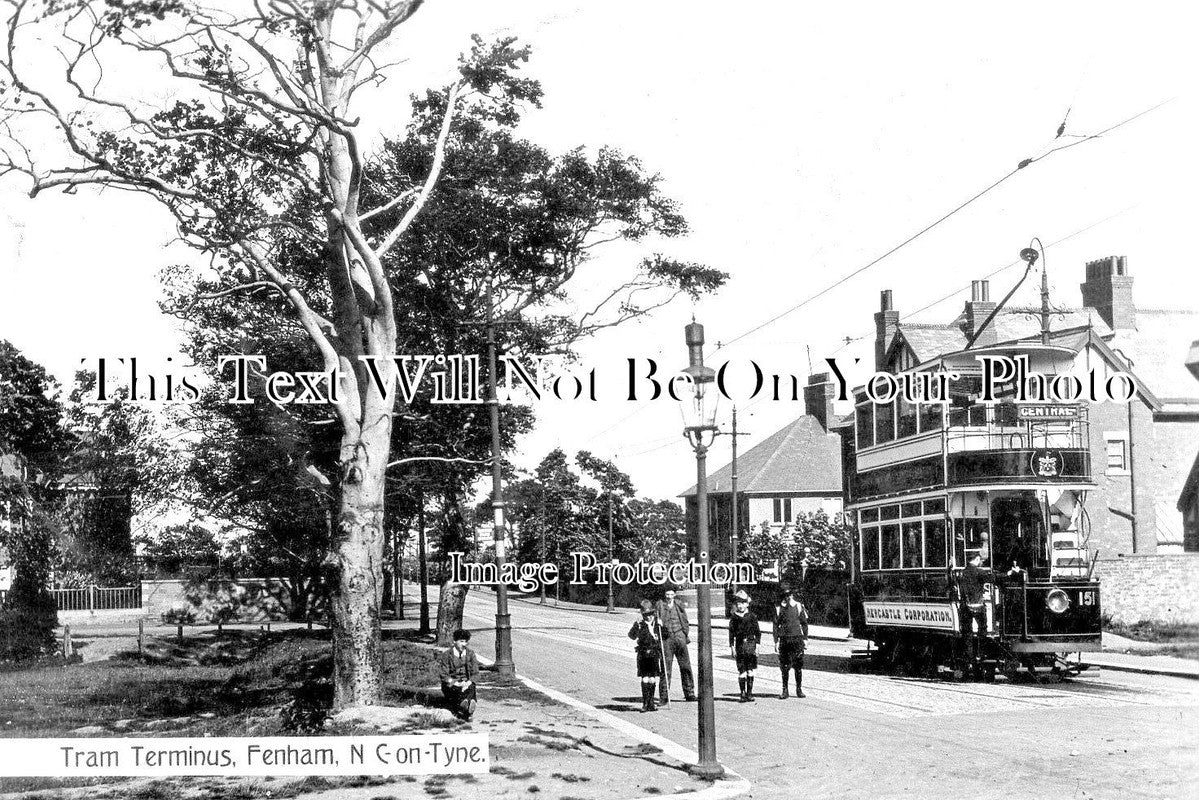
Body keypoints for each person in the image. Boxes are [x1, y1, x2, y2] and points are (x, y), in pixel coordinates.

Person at [655, 588, 696, 703]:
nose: (669, 596)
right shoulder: (660, 606)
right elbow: (655, 621)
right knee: (666, 668)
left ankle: (689, 693)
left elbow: (685, 620)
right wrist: (658, 623)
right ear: (664, 594)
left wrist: (684, 633)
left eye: (671, 594)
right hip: (667, 639)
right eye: (667, 594)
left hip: (680, 637)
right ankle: (664, 696)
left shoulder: (679, 605)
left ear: (674, 595)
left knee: (685, 666)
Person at [628, 600, 664, 713]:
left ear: (653, 613)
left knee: (652, 679)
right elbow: (631, 636)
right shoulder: (640, 624)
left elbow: (665, 636)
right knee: (645, 678)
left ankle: (651, 703)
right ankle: (645, 703)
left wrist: (662, 627)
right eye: (646, 615)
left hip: (654, 654)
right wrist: (636, 626)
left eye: (650, 614)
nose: (648, 617)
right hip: (643, 654)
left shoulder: (657, 624)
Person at [773, 588, 809, 699]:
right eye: (785, 595)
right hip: (784, 639)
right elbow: (775, 625)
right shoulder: (779, 608)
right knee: (784, 666)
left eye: (789, 595)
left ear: (792, 595)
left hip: (797, 638)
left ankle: (799, 689)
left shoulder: (798, 606)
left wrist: (805, 639)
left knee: (798, 666)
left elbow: (804, 623)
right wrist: (776, 641)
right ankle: (785, 690)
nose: (788, 598)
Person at [727, 589, 761, 702]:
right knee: (742, 670)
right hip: (740, 646)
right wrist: (732, 648)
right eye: (738, 604)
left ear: (747, 604)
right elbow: (731, 635)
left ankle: (749, 693)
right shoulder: (734, 618)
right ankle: (742, 693)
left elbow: (758, 633)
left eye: (743, 603)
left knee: (750, 670)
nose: (740, 606)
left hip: (751, 645)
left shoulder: (752, 616)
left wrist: (757, 647)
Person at [439, 629, 479, 721]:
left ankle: (465, 706)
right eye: (461, 641)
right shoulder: (447, 655)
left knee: (472, 686)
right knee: (457, 690)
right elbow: (443, 674)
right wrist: (456, 683)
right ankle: (467, 708)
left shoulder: (470, 654)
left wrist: (468, 682)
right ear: (454, 641)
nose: (464, 644)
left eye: (465, 642)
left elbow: (476, 673)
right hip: (452, 683)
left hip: (466, 682)